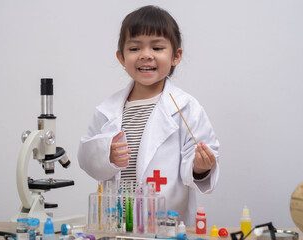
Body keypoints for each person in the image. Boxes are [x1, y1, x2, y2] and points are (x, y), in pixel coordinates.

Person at [78, 5, 219, 226]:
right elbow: (86, 157)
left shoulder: (186, 108)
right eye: (134, 49)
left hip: (165, 223)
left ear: (176, 56)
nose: (146, 55)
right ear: (121, 58)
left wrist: (200, 167)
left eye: (157, 47)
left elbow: (199, 159)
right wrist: (106, 155)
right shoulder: (108, 110)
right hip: (117, 222)